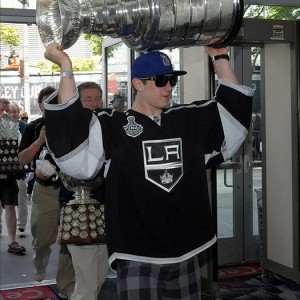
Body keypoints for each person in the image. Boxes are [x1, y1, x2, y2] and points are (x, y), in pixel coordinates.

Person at [44, 43, 253, 300]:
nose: (168, 87)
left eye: (172, 81)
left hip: (186, 249)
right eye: (161, 80)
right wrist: (66, 67)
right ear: (138, 84)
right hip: (136, 254)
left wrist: (219, 55)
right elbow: (71, 139)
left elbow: (232, 113)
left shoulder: (187, 120)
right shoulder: (113, 126)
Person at [39, 81, 108, 300]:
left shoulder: (110, 126)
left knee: (100, 274)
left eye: (98, 98)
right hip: (76, 209)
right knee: (87, 280)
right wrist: (46, 170)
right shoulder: (65, 134)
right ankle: (67, 288)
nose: (95, 104)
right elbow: (42, 169)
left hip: (107, 211)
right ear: (76, 103)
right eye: (88, 99)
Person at [18, 87, 75, 298]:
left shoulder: (73, 125)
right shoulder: (33, 127)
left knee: (69, 240)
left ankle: (66, 285)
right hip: (45, 191)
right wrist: (39, 142)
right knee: (43, 238)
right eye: (47, 102)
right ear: (41, 105)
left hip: (70, 190)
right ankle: (40, 263)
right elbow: (21, 159)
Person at [0, 98, 26, 255]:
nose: (4, 113)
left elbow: (19, 148)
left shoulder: (13, 128)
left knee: (10, 206)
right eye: (1, 110)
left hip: (8, 173)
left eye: (7, 110)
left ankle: (12, 241)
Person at [9, 102, 29, 237]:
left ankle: (21, 226)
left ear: (18, 113)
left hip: (21, 168)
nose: (12, 114)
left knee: (21, 197)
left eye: (14, 111)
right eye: (9, 112)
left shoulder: (25, 128)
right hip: (5, 168)